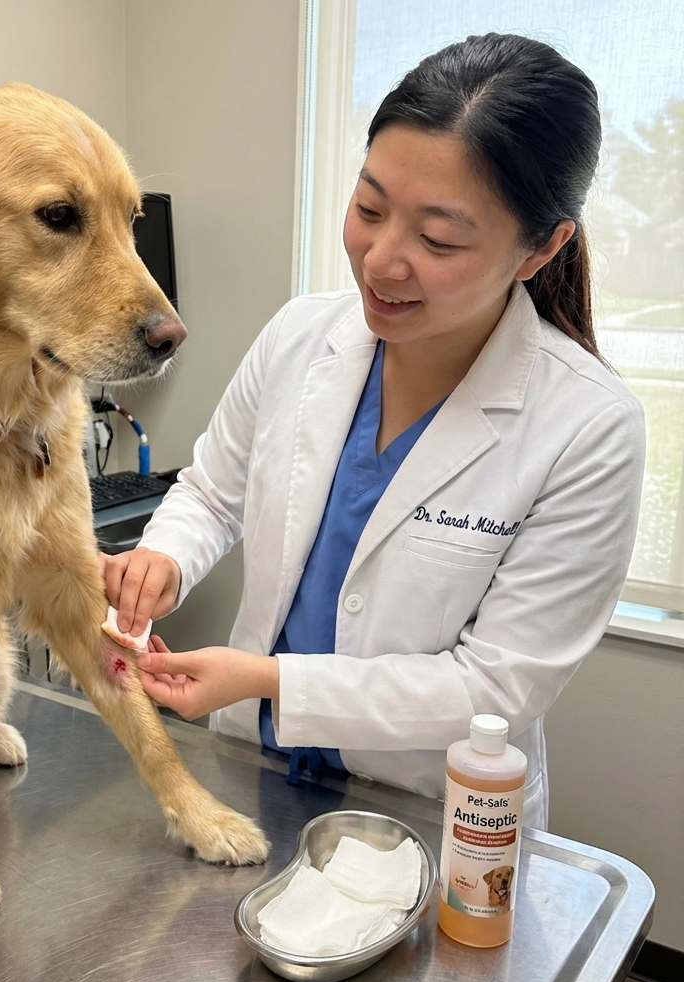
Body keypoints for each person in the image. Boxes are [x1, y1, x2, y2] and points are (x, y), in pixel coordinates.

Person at [100, 33, 645, 829]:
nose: (381, 260)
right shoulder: (300, 335)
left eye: (438, 240)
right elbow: (215, 492)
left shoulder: (589, 427)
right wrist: (164, 560)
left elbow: (490, 689)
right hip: (250, 765)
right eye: (369, 208)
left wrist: (271, 682)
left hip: (426, 810)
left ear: (542, 247)